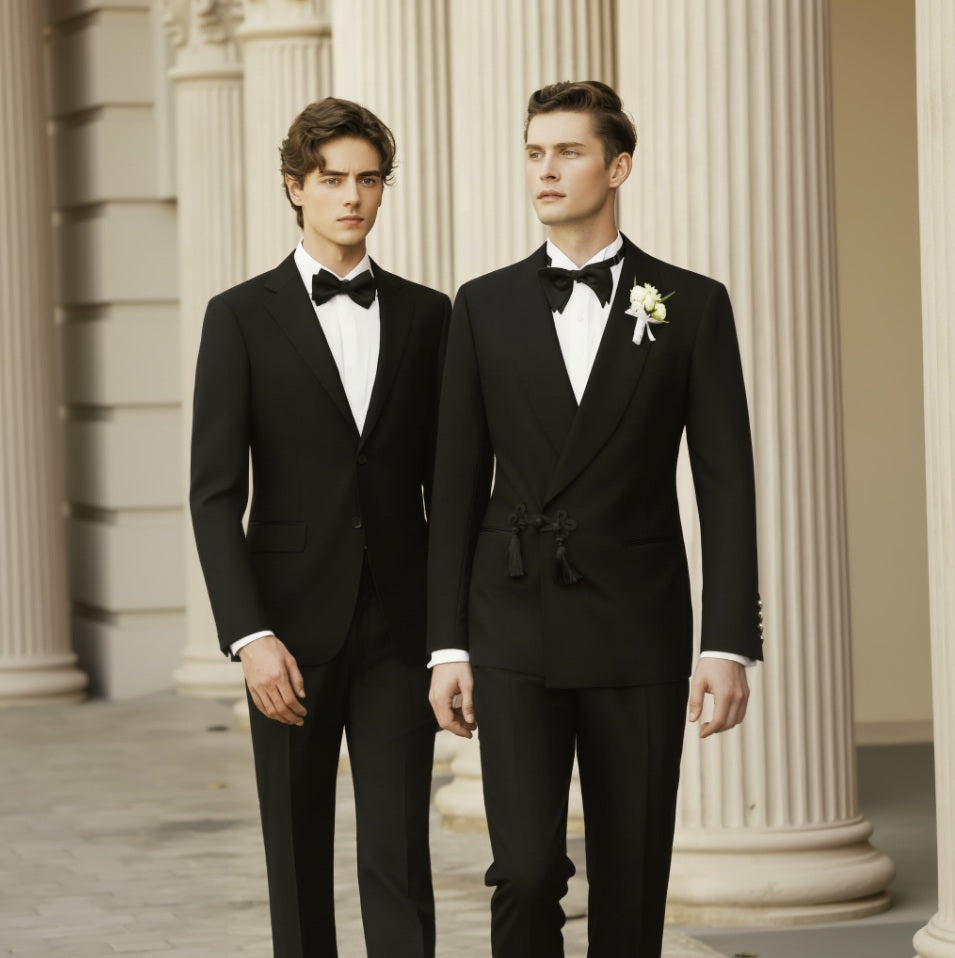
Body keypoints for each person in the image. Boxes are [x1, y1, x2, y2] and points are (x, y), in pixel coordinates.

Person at [427, 80, 764, 957]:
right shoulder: (484, 304)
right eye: (535, 152)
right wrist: (447, 644)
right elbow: (455, 486)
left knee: (632, 871)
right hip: (511, 621)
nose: (545, 169)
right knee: (527, 872)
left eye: (568, 151)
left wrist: (727, 644)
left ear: (616, 167)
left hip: (637, 625)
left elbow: (726, 484)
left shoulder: (690, 304)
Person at [190, 97, 449, 958]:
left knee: (398, 853)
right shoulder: (239, 315)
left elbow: (449, 488)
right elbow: (215, 491)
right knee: (295, 850)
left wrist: (451, 637)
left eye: (368, 179)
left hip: (401, 624)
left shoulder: (428, 315)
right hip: (289, 628)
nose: (352, 197)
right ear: (295, 188)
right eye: (332, 179)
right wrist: (249, 635)